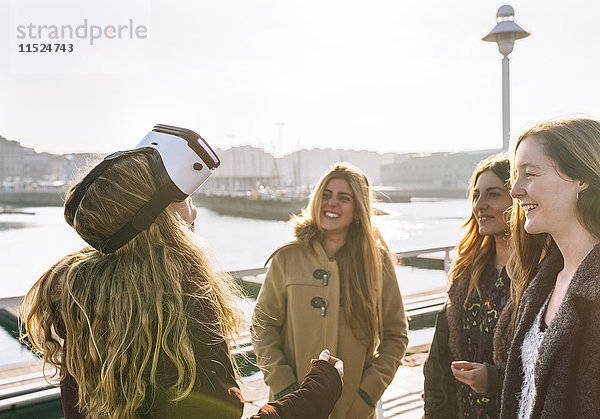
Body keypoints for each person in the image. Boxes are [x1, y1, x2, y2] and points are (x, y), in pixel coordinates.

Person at [22, 127, 343, 419]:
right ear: (160, 223)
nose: (195, 209)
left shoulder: (78, 304)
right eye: (185, 198)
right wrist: (321, 388)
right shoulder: (186, 303)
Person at [251, 162, 409, 418]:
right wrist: (284, 387)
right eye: (326, 194)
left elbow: (396, 335)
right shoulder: (287, 258)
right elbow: (262, 326)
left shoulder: (377, 262)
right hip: (292, 406)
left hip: (354, 411)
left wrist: (367, 395)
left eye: (343, 198)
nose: (332, 203)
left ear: (358, 209)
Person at [500, 118, 600, 418]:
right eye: (515, 177)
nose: (515, 191)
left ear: (581, 178)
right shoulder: (545, 281)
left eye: (530, 174)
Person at [423, 153, 521, 418]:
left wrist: (492, 377)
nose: (480, 205)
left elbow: (545, 367)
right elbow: (437, 364)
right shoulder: (466, 272)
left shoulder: (539, 275)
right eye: (476, 195)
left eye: (493, 194)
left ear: (519, 200)